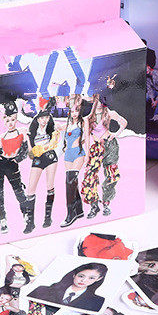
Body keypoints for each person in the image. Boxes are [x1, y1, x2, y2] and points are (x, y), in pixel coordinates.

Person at [80, 96, 127, 219]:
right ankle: (94, 205)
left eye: (102, 100)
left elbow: (124, 122)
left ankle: (106, 203)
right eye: (97, 100)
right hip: (96, 147)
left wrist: (116, 134)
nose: (100, 103)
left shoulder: (110, 113)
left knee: (112, 175)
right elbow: (87, 137)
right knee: (90, 176)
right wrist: (87, 154)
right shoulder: (88, 118)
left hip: (110, 145)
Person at [0, 102, 29, 233]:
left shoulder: (22, 131)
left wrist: (16, 159)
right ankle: (2, 222)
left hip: (12, 165)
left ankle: (26, 215)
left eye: (12, 119)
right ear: (4, 122)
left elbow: (25, 150)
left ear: (16, 119)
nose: (10, 123)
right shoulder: (2, 136)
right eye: (7, 121)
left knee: (19, 192)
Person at [23, 109, 60, 232]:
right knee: (30, 189)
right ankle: (30, 223)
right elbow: (31, 155)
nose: (44, 120)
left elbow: (54, 143)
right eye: (42, 118)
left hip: (50, 157)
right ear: (38, 119)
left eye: (47, 117)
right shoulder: (32, 132)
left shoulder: (52, 130)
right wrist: (28, 139)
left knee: (49, 186)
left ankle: (48, 218)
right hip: (38, 159)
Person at [59, 95, 88, 227]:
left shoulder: (83, 122)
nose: (74, 113)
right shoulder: (67, 124)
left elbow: (87, 138)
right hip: (68, 154)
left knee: (70, 181)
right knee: (72, 182)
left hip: (78, 153)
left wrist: (87, 154)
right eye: (72, 110)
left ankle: (70, 214)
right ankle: (79, 210)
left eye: (77, 110)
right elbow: (60, 134)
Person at [28, 263, 107, 311]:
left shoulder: (97, 301)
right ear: (74, 275)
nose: (84, 280)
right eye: (81, 276)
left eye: (91, 278)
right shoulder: (43, 290)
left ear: (98, 279)